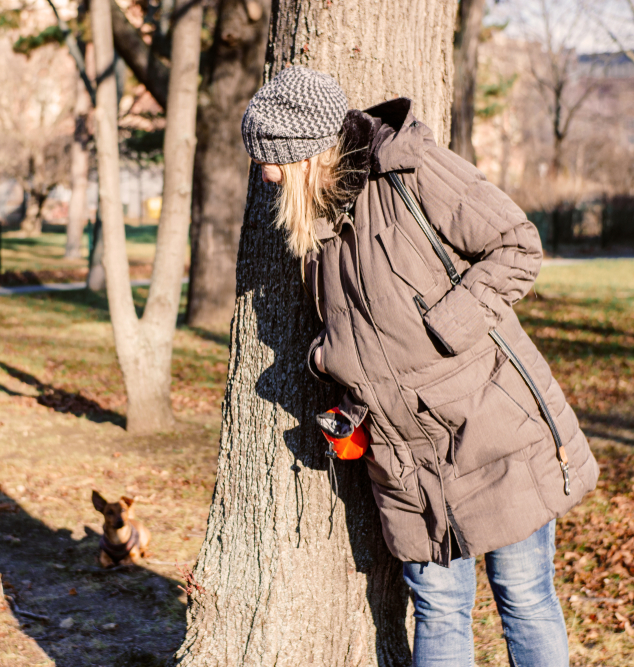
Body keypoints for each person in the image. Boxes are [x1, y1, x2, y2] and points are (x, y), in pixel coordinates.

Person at [240, 66, 599, 667]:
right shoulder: (320, 222)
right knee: (438, 608)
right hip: (404, 459)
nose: (265, 174)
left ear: (304, 152)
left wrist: (447, 329)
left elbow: (515, 244)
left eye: (271, 158)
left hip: (491, 426)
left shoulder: (411, 169)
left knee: (525, 595)